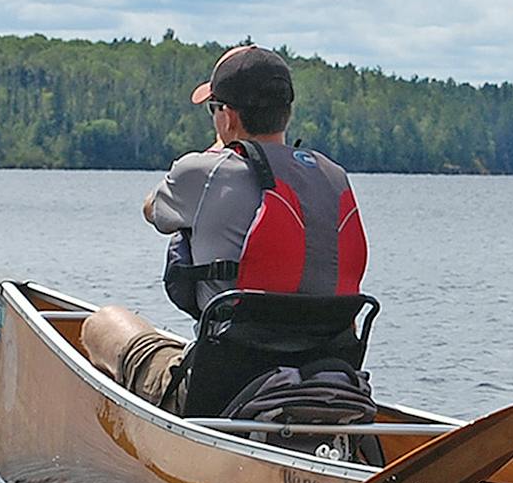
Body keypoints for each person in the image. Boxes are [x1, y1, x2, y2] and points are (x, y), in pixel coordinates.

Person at [82, 44, 368, 413]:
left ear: (227, 116)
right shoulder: (333, 176)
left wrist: (220, 148)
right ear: (287, 112)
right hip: (327, 375)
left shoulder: (200, 171)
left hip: (218, 390)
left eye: (213, 109)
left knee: (101, 325)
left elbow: (152, 209)